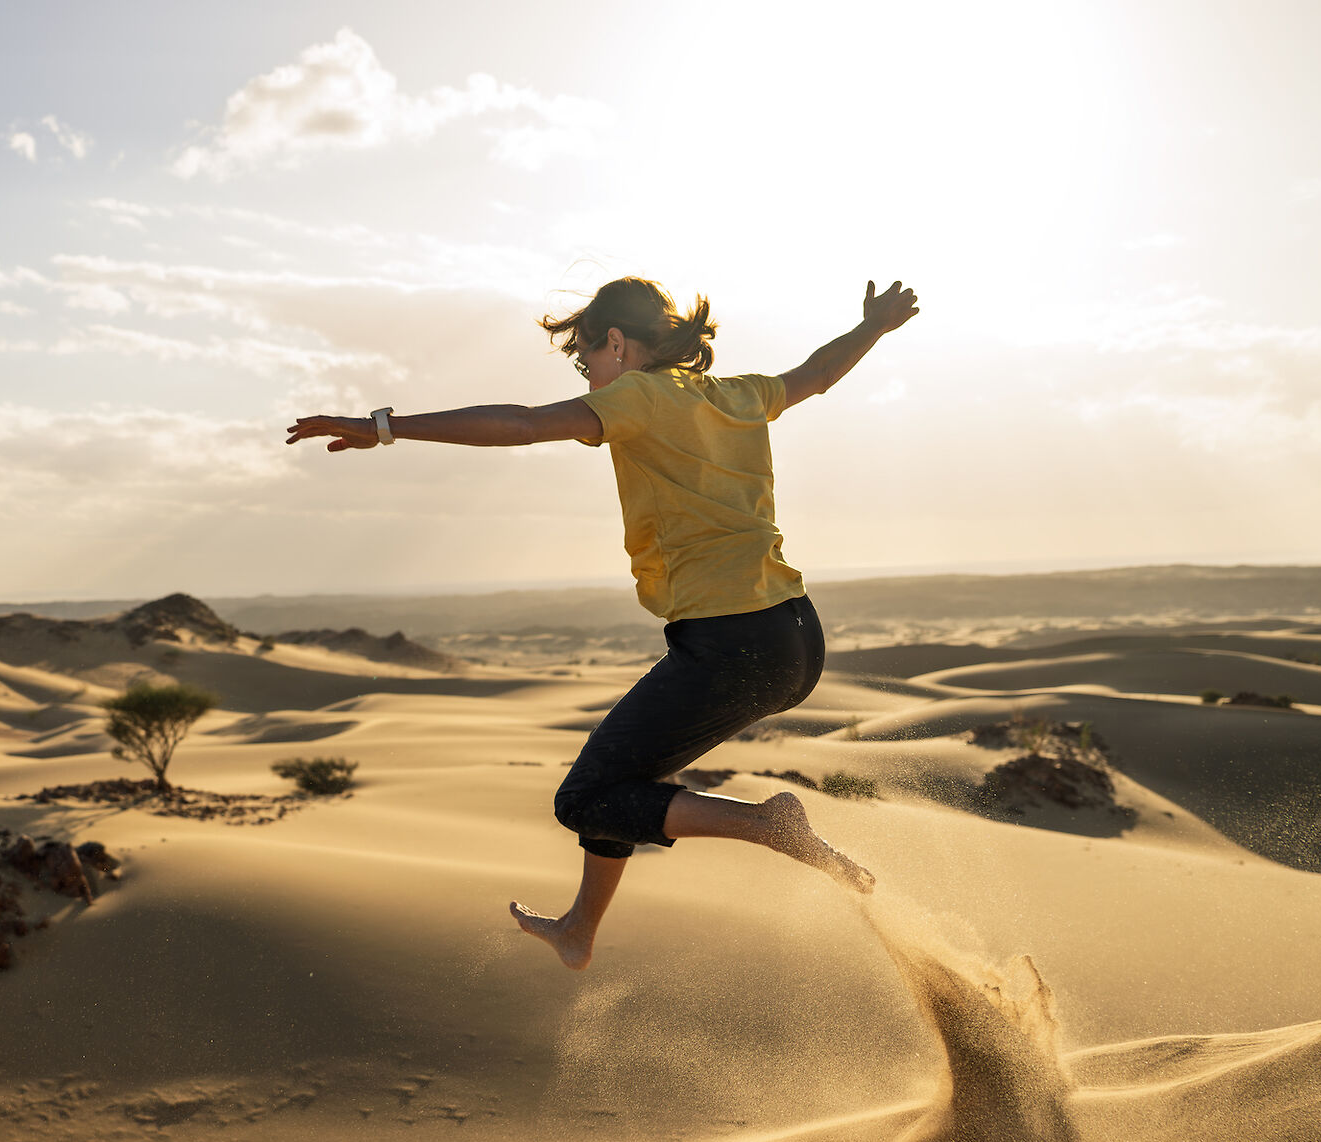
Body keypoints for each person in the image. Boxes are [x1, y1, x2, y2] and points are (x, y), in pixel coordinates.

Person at [286, 276, 919, 968]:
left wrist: (387, 428)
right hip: (795, 639)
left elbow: (525, 423)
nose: (586, 371)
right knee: (621, 786)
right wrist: (875, 327)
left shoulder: (638, 396)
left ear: (617, 343)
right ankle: (580, 929)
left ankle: (770, 825)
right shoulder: (736, 394)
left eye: (586, 354)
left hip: (730, 641)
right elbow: (819, 375)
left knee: (586, 795)